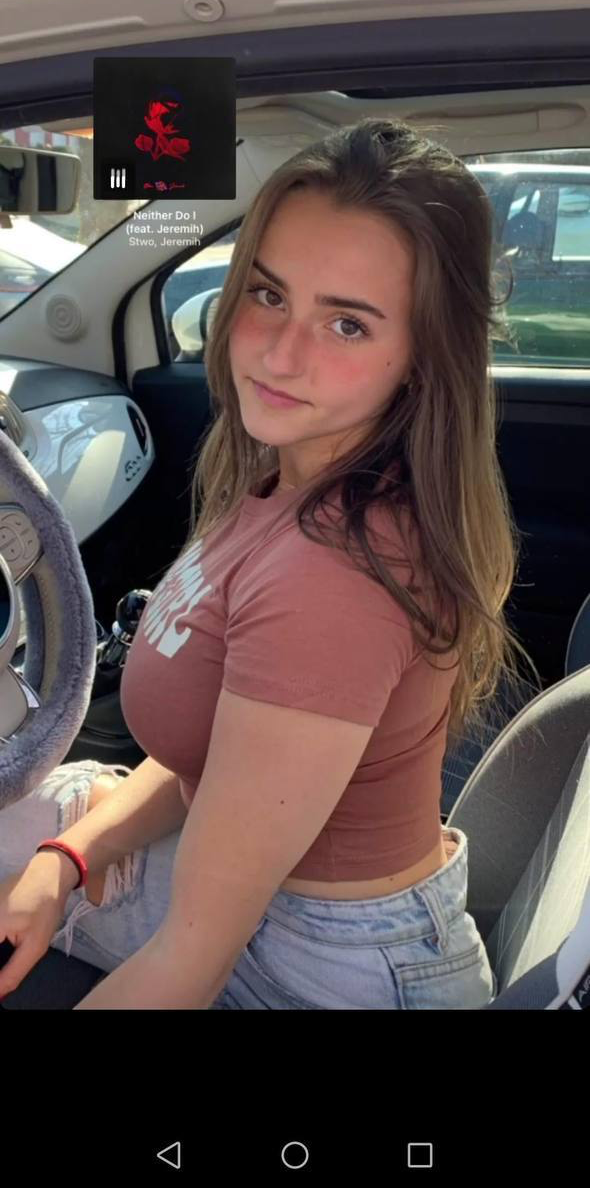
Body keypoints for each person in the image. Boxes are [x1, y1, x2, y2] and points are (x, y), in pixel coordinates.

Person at [0, 116, 543, 1010]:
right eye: (268, 294)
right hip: (258, 892)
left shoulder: (331, 580)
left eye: (348, 324)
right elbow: (213, 762)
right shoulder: (289, 477)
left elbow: (191, 959)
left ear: (422, 355)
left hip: (329, 968)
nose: (282, 353)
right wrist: (68, 857)